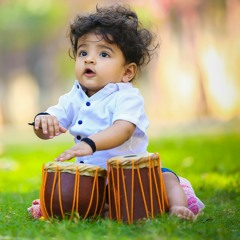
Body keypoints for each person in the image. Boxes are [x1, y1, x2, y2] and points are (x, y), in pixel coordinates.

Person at [29, 4, 204, 221]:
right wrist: (42, 121)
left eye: (103, 53)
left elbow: (123, 129)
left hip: (132, 175)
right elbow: (50, 122)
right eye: (83, 52)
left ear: (127, 72)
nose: (89, 59)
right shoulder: (73, 97)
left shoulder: (127, 97)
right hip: (92, 179)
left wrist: (89, 144)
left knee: (167, 177)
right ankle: (104, 208)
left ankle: (179, 207)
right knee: (69, 197)